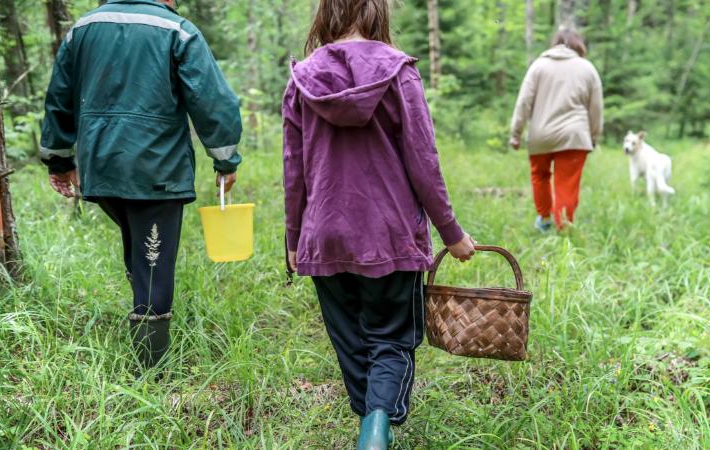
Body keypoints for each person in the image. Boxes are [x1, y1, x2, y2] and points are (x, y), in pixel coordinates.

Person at [282, 0, 475, 447]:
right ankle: (377, 429)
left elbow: (294, 169)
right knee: (389, 339)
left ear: (326, 15)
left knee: (352, 343)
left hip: (324, 235)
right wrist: (453, 233)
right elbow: (423, 160)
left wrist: (295, 238)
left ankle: (371, 423)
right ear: (376, 13)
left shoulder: (302, 77)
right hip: (390, 236)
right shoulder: (398, 72)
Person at [40, 0, 242, 377]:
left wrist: (59, 159)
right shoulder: (177, 30)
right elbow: (212, 100)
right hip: (156, 169)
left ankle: (145, 331)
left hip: (101, 166)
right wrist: (226, 160)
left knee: (140, 248)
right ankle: (151, 374)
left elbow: (59, 96)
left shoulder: (82, 28)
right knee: (154, 263)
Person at [509, 28, 603, 231]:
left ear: (555, 43)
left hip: (540, 135)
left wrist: (516, 134)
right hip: (574, 136)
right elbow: (596, 107)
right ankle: (564, 228)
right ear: (579, 44)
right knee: (566, 183)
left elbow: (523, 102)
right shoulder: (587, 68)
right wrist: (594, 136)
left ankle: (544, 219)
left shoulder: (539, 66)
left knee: (540, 176)